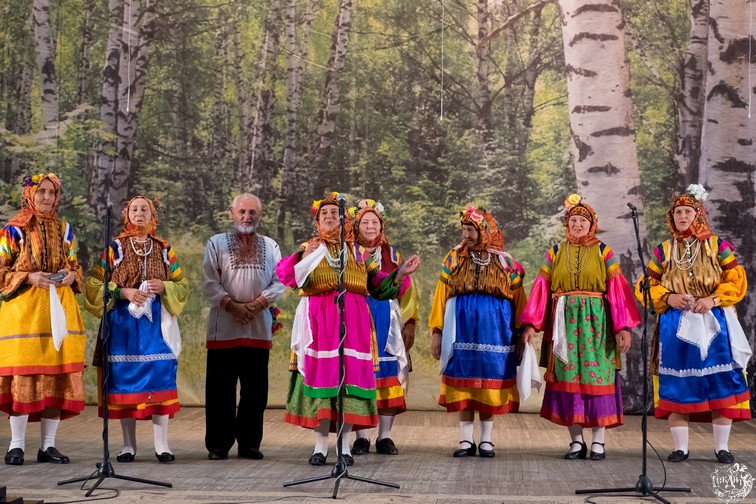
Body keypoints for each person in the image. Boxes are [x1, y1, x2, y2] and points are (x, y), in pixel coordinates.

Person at [276, 192, 420, 466]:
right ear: (317, 221)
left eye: (336, 214)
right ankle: (320, 448)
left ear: (346, 221)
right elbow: (285, 275)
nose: (331, 217)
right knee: (323, 382)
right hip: (319, 323)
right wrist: (300, 255)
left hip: (353, 323)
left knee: (348, 385)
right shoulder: (310, 248)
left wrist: (400, 275)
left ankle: (344, 447)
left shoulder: (357, 251)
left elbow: (377, 286)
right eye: (325, 214)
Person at [635, 184, 750, 464]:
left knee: (720, 382)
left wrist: (713, 299)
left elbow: (736, 279)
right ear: (671, 218)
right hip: (676, 323)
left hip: (714, 320)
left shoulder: (716, 246)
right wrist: (669, 296)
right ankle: (681, 448)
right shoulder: (664, 250)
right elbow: (646, 285)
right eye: (677, 213)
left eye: (687, 212)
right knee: (678, 383)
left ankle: (721, 447)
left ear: (698, 215)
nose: (682, 217)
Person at [521, 194, 639, 460]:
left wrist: (623, 327)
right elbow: (541, 289)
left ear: (592, 224)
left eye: (582, 221)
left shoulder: (602, 251)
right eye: (573, 220)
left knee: (596, 379)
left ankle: (598, 442)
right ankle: (576, 442)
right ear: (567, 224)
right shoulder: (556, 252)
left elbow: (617, 290)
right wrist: (531, 325)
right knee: (568, 380)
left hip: (597, 326)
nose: (577, 225)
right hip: (564, 326)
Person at [84, 196, 188, 463]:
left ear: (153, 215)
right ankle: (128, 446)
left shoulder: (165, 249)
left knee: (160, 377)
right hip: (123, 326)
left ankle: (162, 445)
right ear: (126, 214)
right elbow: (94, 284)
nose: (139, 213)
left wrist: (165, 287)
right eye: (134, 209)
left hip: (155, 326)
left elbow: (182, 285)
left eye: (145, 209)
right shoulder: (115, 249)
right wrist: (122, 291)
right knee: (125, 381)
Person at [0, 172, 86, 466]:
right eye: (41, 192)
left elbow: (76, 266)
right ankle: (17, 444)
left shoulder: (65, 230)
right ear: (30, 194)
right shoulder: (14, 230)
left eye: (51, 192)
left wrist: (71, 276)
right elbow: (1, 271)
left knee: (56, 377)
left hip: (59, 313)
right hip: (25, 315)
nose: (46, 197)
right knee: (25, 377)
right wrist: (28, 277)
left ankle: (48, 446)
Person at [429, 206, 526, 458]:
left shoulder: (506, 262)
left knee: (488, 383)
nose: (467, 234)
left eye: (471, 229)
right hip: (460, 329)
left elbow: (518, 299)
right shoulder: (454, 257)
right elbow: (441, 296)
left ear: (485, 230)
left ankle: (486, 440)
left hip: (496, 331)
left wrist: (523, 330)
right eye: (464, 229)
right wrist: (437, 331)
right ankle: (464, 440)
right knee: (463, 380)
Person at [202, 193, 285, 461]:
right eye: (242, 212)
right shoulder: (215, 243)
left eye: (252, 212)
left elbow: (279, 281)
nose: (246, 217)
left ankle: (249, 444)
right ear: (232, 213)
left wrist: (259, 303)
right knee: (219, 391)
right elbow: (209, 282)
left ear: (260, 216)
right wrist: (233, 306)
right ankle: (218, 444)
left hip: (258, 329)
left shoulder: (271, 246)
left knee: (255, 392)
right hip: (223, 329)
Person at [350, 199, 420, 456]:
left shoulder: (392, 254)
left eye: (374, 222)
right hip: (358, 317)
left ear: (382, 225)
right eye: (365, 222)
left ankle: (385, 436)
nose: (370, 226)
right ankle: (360, 437)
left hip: (387, 322)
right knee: (360, 375)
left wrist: (410, 323)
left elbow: (409, 291)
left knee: (388, 374)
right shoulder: (349, 252)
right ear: (356, 226)